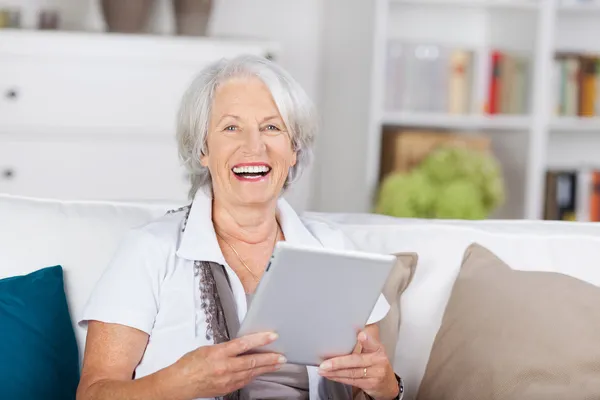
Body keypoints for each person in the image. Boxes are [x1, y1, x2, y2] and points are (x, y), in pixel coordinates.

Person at [76, 54, 402, 400]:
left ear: (293, 149)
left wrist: (384, 387)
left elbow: (366, 385)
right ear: (203, 149)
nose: (254, 146)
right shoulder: (149, 250)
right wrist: (179, 382)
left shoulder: (334, 249)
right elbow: (93, 394)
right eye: (232, 127)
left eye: (272, 127)